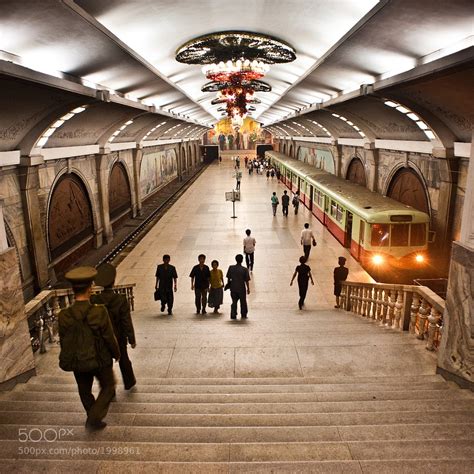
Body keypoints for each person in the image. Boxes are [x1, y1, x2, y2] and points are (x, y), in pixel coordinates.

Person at [58, 266, 120, 432]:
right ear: (90, 288)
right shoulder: (99, 312)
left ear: (73, 289)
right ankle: (94, 418)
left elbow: (63, 341)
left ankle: (93, 415)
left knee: (84, 390)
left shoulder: (64, 315)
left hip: (78, 360)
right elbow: (109, 337)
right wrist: (117, 354)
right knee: (108, 386)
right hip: (100, 359)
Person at [91, 263, 136, 390]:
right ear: (113, 281)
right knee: (124, 359)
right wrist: (131, 339)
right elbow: (126, 321)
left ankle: (109, 388)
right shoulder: (120, 300)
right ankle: (129, 382)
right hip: (119, 336)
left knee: (106, 364)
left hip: (102, 337)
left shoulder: (94, 300)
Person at [226, 254, 251, 319]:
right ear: (242, 260)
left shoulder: (231, 268)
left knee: (234, 302)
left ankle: (233, 314)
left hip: (233, 288)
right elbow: (246, 280)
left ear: (235, 259)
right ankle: (243, 314)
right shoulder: (245, 269)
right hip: (241, 289)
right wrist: (248, 288)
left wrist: (229, 284)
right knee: (243, 302)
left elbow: (228, 277)